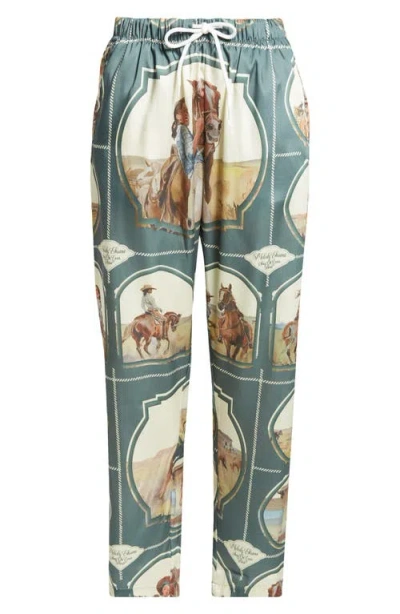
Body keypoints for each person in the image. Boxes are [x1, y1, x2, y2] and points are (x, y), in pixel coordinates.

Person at [171, 98, 204, 226]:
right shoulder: (182, 129)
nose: (185, 114)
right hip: (196, 167)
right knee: (199, 193)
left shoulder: (180, 130)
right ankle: (193, 221)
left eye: (186, 111)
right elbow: (190, 153)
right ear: (176, 116)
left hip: (190, 171)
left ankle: (191, 221)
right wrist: (199, 130)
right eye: (181, 112)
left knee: (193, 196)